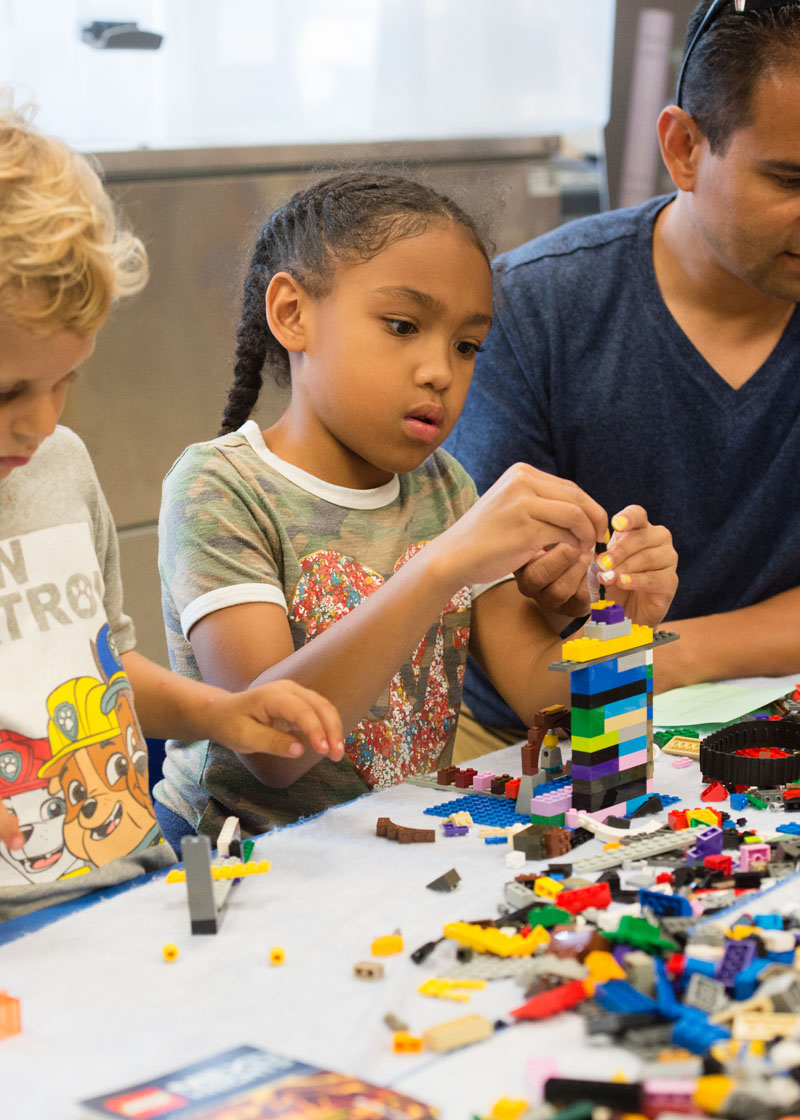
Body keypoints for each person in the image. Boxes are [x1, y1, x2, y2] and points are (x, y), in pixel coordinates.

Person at [155, 169, 678, 842]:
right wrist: (441, 568)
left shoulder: (447, 489)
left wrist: (617, 626)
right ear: (291, 313)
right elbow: (268, 747)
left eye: (467, 345)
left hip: (384, 855)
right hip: (240, 865)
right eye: (402, 326)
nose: (441, 370)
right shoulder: (219, 488)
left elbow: (532, 694)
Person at [0, 102, 343, 921]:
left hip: (127, 882)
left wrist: (220, 712)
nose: (44, 422)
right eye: (11, 390)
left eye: (66, 381)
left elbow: (103, 667)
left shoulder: (60, 464)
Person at [445, 0, 800, 752]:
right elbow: (509, 631)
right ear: (683, 149)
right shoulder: (531, 312)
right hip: (537, 737)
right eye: (789, 179)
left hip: (767, 713)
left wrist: (678, 651)